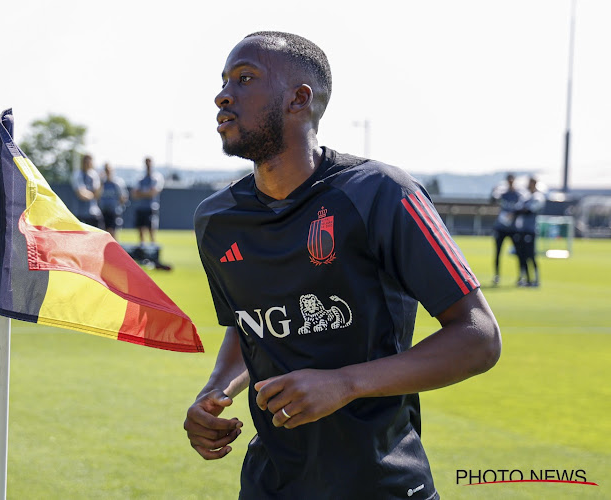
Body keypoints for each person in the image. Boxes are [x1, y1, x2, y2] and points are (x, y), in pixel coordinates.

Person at [183, 31, 501, 499]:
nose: (223, 94)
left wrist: (345, 383)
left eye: (245, 78)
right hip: (269, 483)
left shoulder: (382, 192)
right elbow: (245, 327)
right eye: (224, 81)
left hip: (382, 482)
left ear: (299, 98)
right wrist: (214, 392)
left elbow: (479, 337)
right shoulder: (215, 219)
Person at [490, 173, 524, 285]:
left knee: (519, 252)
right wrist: (493, 191)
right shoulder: (503, 194)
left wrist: (513, 214)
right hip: (501, 228)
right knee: (498, 252)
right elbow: (492, 200)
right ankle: (497, 275)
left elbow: (522, 208)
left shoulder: (518, 195)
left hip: (514, 228)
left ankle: (521, 276)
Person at [514, 177, 546, 286]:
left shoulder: (538, 197)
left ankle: (536, 279)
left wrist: (520, 210)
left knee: (531, 255)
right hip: (522, 230)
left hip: (530, 230)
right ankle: (526, 279)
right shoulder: (526, 196)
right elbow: (518, 208)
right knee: (522, 255)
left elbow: (528, 210)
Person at [130, 156, 164, 243]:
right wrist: (146, 193)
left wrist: (142, 193)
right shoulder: (140, 178)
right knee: (140, 231)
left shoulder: (156, 177)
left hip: (151, 208)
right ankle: (142, 251)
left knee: (151, 230)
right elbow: (134, 194)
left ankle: (152, 251)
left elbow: (153, 192)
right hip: (140, 208)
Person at [71, 154, 103, 228]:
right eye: (86, 162)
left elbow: (97, 194)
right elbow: (81, 194)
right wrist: (92, 194)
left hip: (94, 213)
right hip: (80, 213)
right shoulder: (77, 174)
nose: (88, 164)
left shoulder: (94, 175)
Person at [99, 162, 128, 238]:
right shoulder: (102, 183)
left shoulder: (117, 183)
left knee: (113, 232)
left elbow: (123, 197)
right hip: (103, 211)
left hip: (113, 211)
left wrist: (118, 206)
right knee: (103, 232)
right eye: (106, 170)